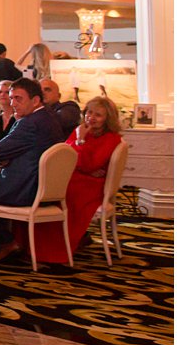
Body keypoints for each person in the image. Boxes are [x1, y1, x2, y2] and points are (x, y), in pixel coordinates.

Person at [10, 95, 123, 265]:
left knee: (57, 195)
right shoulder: (82, 129)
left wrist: (80, 141)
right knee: (35, 187)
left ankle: (48, 250)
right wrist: (80, 156)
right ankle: (24, 243)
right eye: (89, 113)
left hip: (90, 186)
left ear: (108, 118)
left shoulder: (110, 138)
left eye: (98, 115)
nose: (91, 118)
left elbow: (87, 164)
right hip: (76, 177)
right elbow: (66, 157)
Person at [0, 78, 64, 259]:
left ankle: (2, 240)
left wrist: (4, 154)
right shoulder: (50, 118)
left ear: (35, 101)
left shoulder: (29, 123)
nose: (13, 103)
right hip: (43, 189)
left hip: (22, 189)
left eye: (18, 99)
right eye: (11, 98)